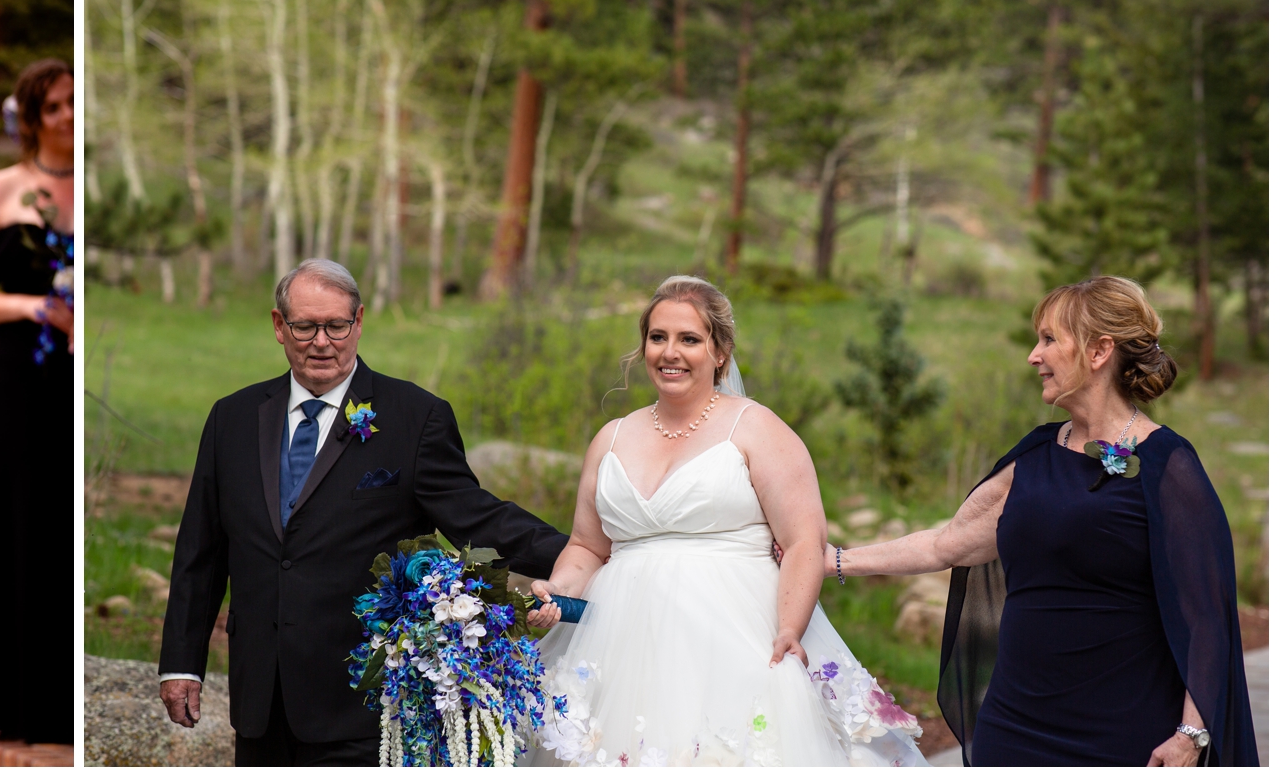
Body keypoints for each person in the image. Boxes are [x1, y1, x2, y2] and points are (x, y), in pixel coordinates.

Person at [157, 256, 567, 765]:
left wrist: (577, 556)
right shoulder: (232, 418)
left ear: (360, 321)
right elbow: (200, 551)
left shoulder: (415, 418)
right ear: (278, 326)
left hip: (364, 696)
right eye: (306, 326)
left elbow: (477, 517)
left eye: (337, 325)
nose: (322, 342)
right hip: (261, 696)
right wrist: (181, 663)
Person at [830, 275, 1251, 767]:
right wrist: (833, 560)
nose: (1034, 355)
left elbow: (1207, 618)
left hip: (1123, 734)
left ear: (1099, 352)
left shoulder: (1168, 465)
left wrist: (1190, 734)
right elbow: (946, 545)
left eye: (1050, 339)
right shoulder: (1033, 456)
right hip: (1014, 726)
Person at [524, 274, 926, 767]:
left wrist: (789, 630)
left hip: (734, 637)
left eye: (689, 339)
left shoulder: (756, 428)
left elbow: (803, 541)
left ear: (720, 351)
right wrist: (557, 591)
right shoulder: (610, 437)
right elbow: (588, 545)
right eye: (658, 338)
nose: (670, 353)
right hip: (621, 647)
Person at [0, 60, 75, 747]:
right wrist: (33, 305)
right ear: (30, 115)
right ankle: (25, 702)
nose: (67, 115)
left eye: (74, 103)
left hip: (83, 371)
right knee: (27, 516)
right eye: (54, 105)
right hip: (23, 374)